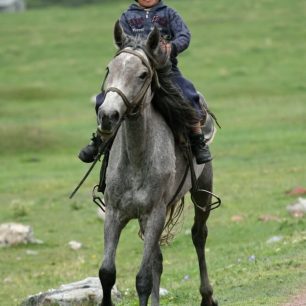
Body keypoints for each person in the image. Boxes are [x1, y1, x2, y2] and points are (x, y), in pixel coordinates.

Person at [78, 0, 212, 164]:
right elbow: (123, 43)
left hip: (166, 70)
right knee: (104, 100)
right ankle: (100, 140)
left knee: (188, 94)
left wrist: (171, 47)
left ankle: (198, 141)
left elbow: (184, 35)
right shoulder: (127, 17)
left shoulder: (169, 13)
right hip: (133, 73)